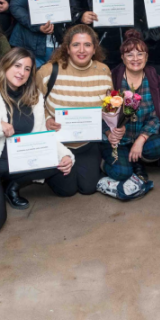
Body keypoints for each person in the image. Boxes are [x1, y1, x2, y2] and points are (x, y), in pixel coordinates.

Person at [0, 47, 75, 234]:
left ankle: (13, 185)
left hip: (22, 160)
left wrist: (64, 155)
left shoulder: (34, 96)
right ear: (5, 64)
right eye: (17, 65)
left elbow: (42, 133)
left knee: (66, 178)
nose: (22, 72)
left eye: (27, 69)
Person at [37, 24, 114, 196]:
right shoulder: (49, 70)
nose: (82, 50)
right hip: (58, 143)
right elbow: (33, 104)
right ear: (67, 48)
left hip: (87, 143)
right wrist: (46, 119)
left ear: (94, 49)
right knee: (67, 190)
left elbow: (108, 109)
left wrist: (113, 129)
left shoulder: (103, 71)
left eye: (87, 45)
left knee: (88, 188)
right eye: (76, 45)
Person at [105, 30, 160, 182]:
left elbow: (156, 115)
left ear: (146, 57)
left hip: (140, 135)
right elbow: (106, 115)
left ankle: (136, 159)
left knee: (159, 145)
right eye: (129, 54)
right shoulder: (113, 79)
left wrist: (141, 139)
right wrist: (109, 133)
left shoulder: (154, 79)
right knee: (121, 173)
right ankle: (117, 162)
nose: (135, 59)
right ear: (122, 57)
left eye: (140, 54)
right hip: (118, 139)